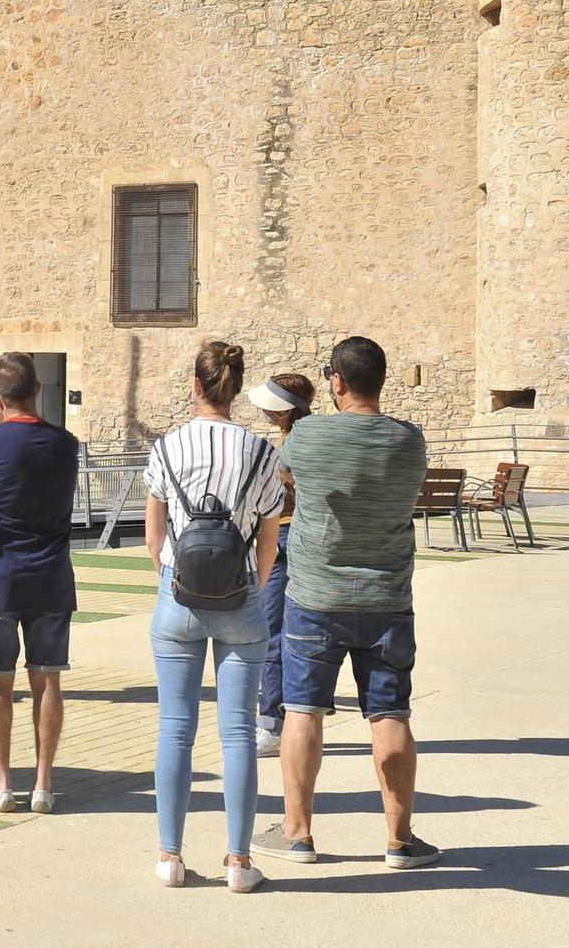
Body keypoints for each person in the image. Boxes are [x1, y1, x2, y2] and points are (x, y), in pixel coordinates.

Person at [254, 336, 440, 870]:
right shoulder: (410, 441)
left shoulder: (309, 435)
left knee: (303, 710)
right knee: (390, 714)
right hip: (387, 596)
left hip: (315, 595)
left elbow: (283, 476)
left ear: (336, 381)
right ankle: (400, 839)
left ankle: (297, 833)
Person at [144, 342, 286, 892]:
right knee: (237, 735)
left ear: (197, 386)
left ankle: (170, 855)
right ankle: (238, 862)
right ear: (236, 389)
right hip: (241, 596)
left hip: (178, 595)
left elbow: (154, 540)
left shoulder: (168, 446)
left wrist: (173, 574)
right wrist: (256, 582)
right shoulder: (260, 452)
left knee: (175, 729)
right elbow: (270, 544)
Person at [0, 352, 79, 814]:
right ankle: (44, 784)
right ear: (38, 390)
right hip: (51, 578)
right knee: (48, 682)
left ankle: (3, 784)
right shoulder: (67, 443)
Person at [244, 372, 314, 759]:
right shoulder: (305, 438)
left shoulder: (290, 445)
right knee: (294, 632)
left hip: (283, 538)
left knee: (272, 632)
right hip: (298, 539)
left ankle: (271, 721)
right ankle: (293, 712)